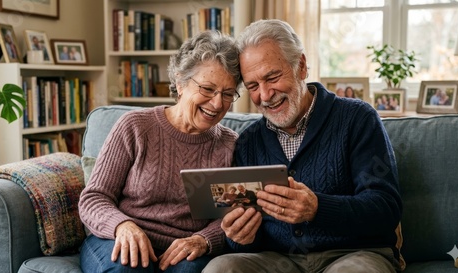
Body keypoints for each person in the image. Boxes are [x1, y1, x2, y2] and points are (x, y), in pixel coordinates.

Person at [203, 19, 402, 273]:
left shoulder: (357, 118)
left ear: (302, 66)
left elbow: (386, 209)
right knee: (220, 268)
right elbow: (246, 242)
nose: (264, 95)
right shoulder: (248, 141)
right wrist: (239, 236)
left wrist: (318, 209)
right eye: (253, 86)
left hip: (353, 254)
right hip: (277, 259)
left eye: (272, 77)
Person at [78, 30, 241, 273]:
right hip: (119, 237)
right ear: (180, 83)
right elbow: (94, 198)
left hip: (186, 249)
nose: (217, 104)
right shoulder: (135, 126)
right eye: (207, 89)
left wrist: (204, 240)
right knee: (127, 269)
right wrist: (122, 225)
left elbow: (233, 215)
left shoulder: (230, 144)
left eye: (227, 94)